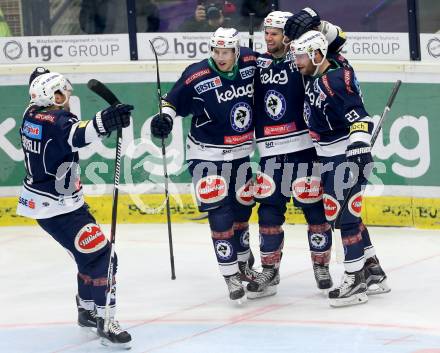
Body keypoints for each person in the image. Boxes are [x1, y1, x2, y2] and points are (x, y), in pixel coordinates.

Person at [17, 69, 134, 346]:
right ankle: (106, 319)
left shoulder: (30, 114)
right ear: (53, 96)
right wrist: (106, 120)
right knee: (104, 260)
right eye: (62, 93)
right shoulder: (57, 120)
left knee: (88, 257)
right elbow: (76, 133)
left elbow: (66, 130)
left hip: (52, 203)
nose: (67, 97)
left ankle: (86, 309)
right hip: (59, 208)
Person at [150, 27, 258, 301]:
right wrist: (163, 118)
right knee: (219, 213)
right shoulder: (196, 74)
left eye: (226, 52)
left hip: (240, 152)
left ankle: (244, 263)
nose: (220, 57)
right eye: (216, 51)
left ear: (236, 51)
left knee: (243, 210)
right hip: (206, 154)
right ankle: (230, 273)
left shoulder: (250, 61)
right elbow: (171, 102)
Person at [247, 10, 346, 299]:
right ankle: (269, 269)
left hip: (303, 147)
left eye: (274, 33)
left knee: (315, 210)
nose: (268, 38)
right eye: (266, 33)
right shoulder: (256, 61)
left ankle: (321, 266)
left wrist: (316, 20)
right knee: (268, 211)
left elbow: (338, 40)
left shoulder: (300, 57)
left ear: (288, 37)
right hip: (270, 151)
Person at [290, 30, 390, 307]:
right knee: (350, 217)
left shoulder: (331, 80)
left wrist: (358, 145)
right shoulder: (316, 75)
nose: (297, 61)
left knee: (345, 219)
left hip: (343, 158)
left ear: (317, 55)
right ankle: (374, 273)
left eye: (301, 56)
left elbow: (359, 116)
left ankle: (354, 279)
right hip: (330, 156)